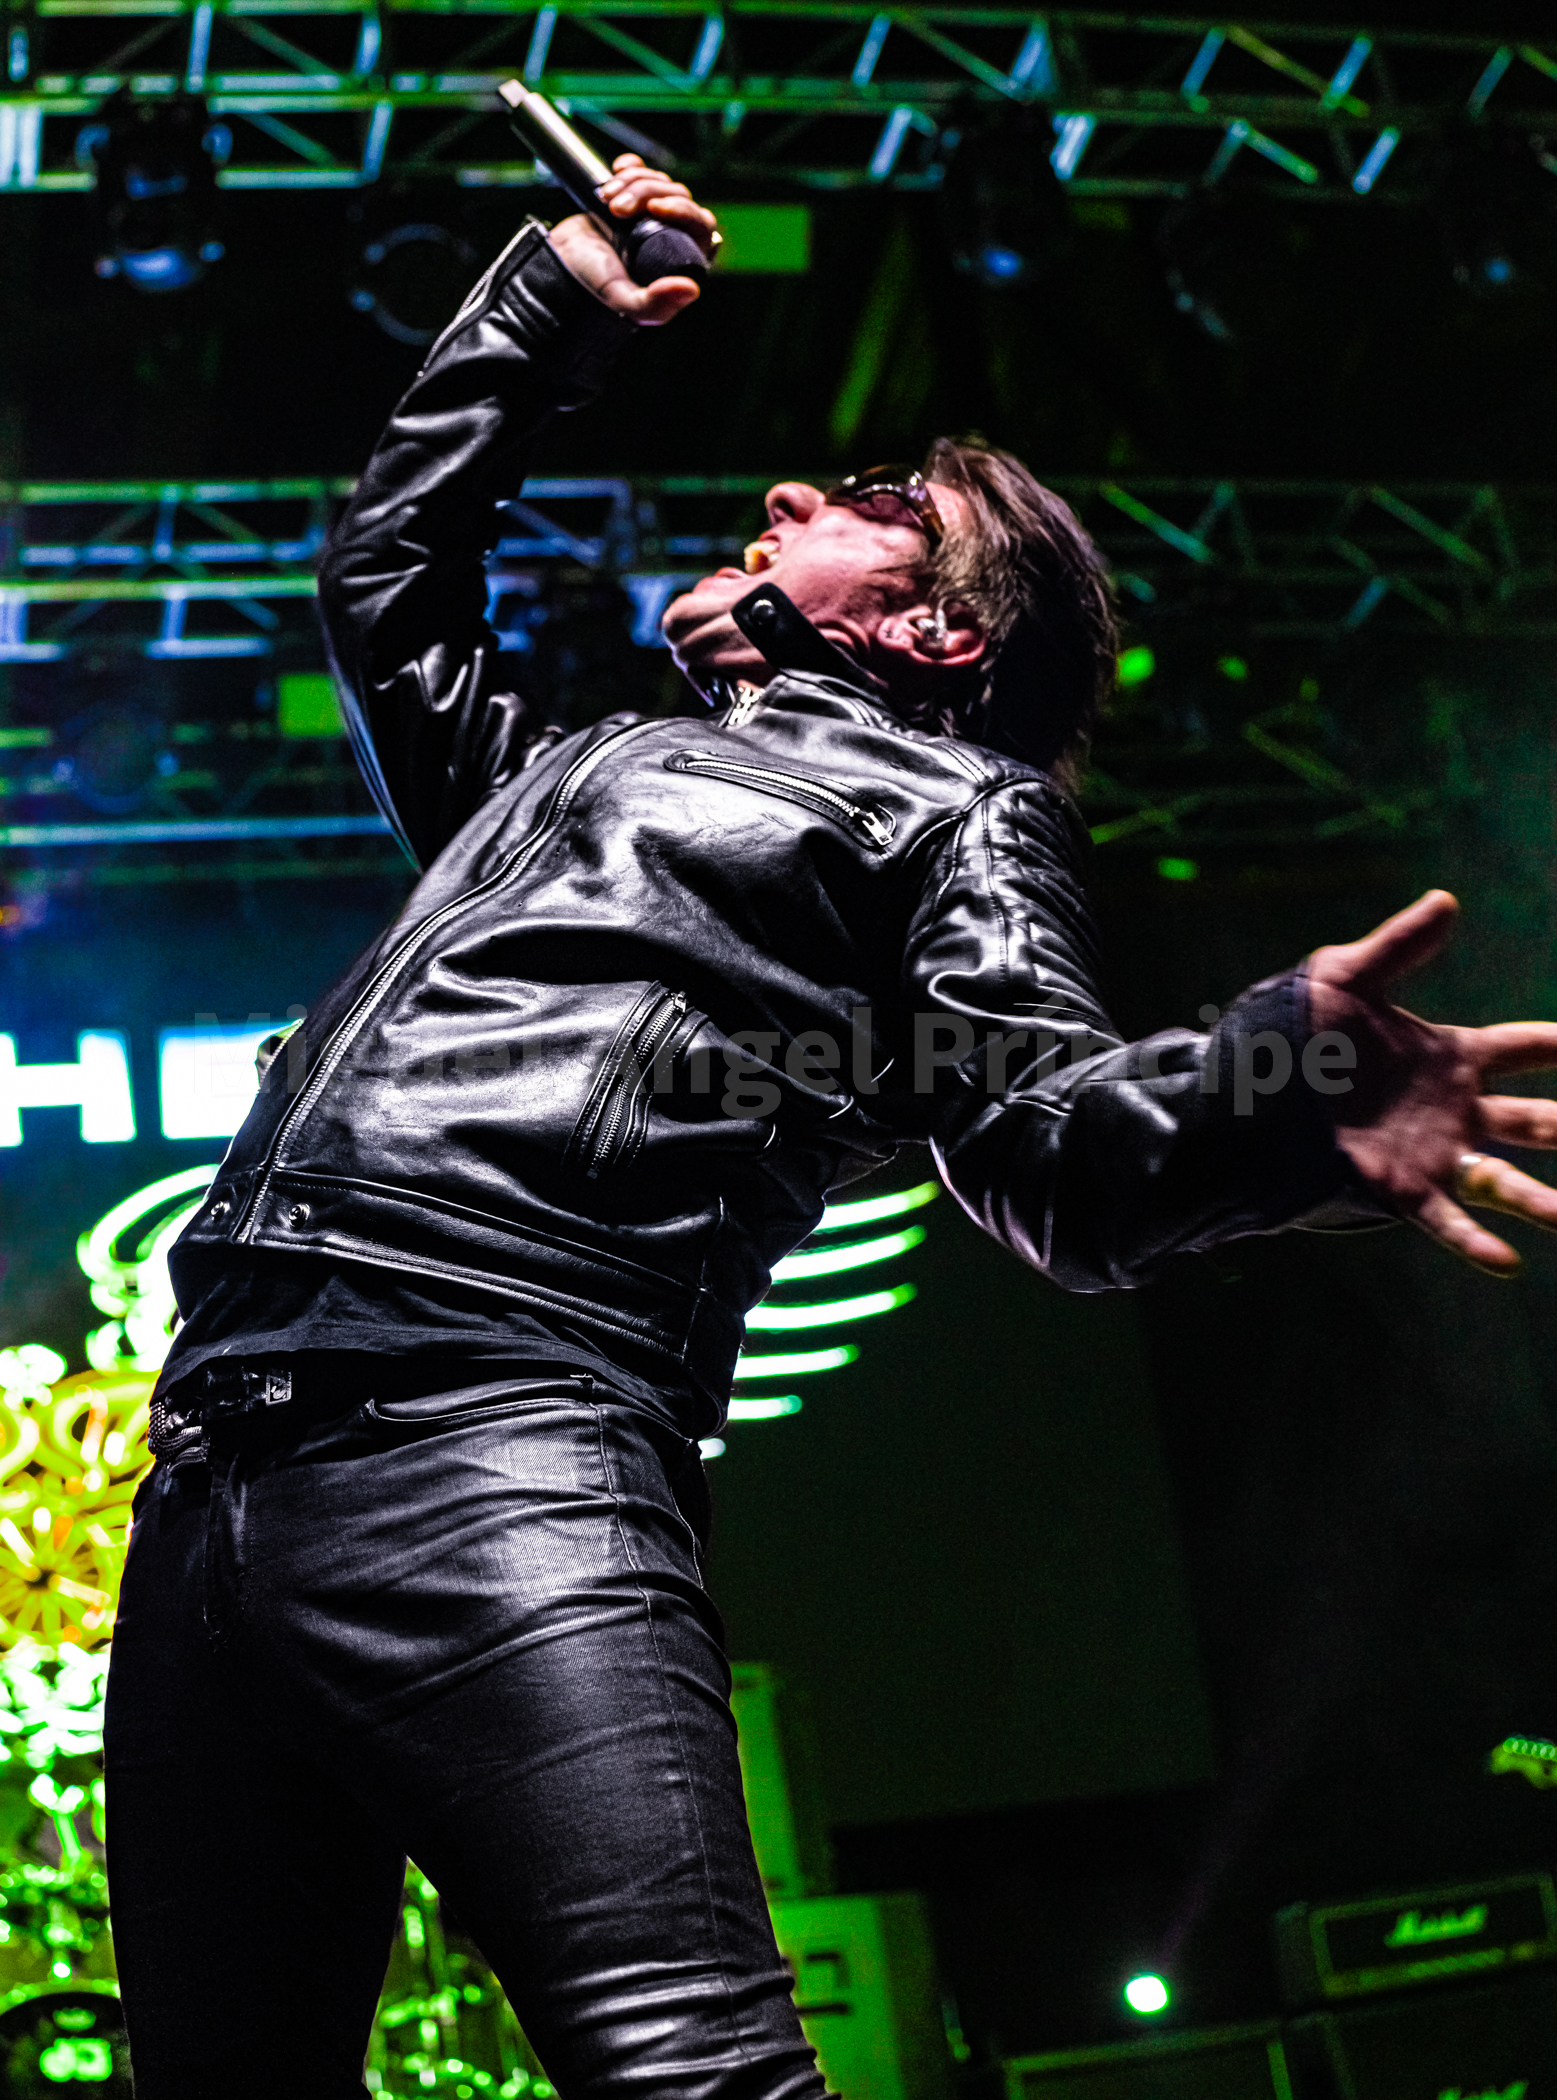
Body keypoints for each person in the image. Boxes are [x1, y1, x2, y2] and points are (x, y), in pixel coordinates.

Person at [104, 159, 1557, 2100]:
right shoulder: (563, 772)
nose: (785, 489)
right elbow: (389, 578)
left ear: (939, 634)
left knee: (694, 2078)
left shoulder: (950, 814)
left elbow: (1037, 1137)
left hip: (497, 1445)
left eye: (869, 501)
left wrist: (1272, 1090)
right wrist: (542, 306)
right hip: (209, 1478)